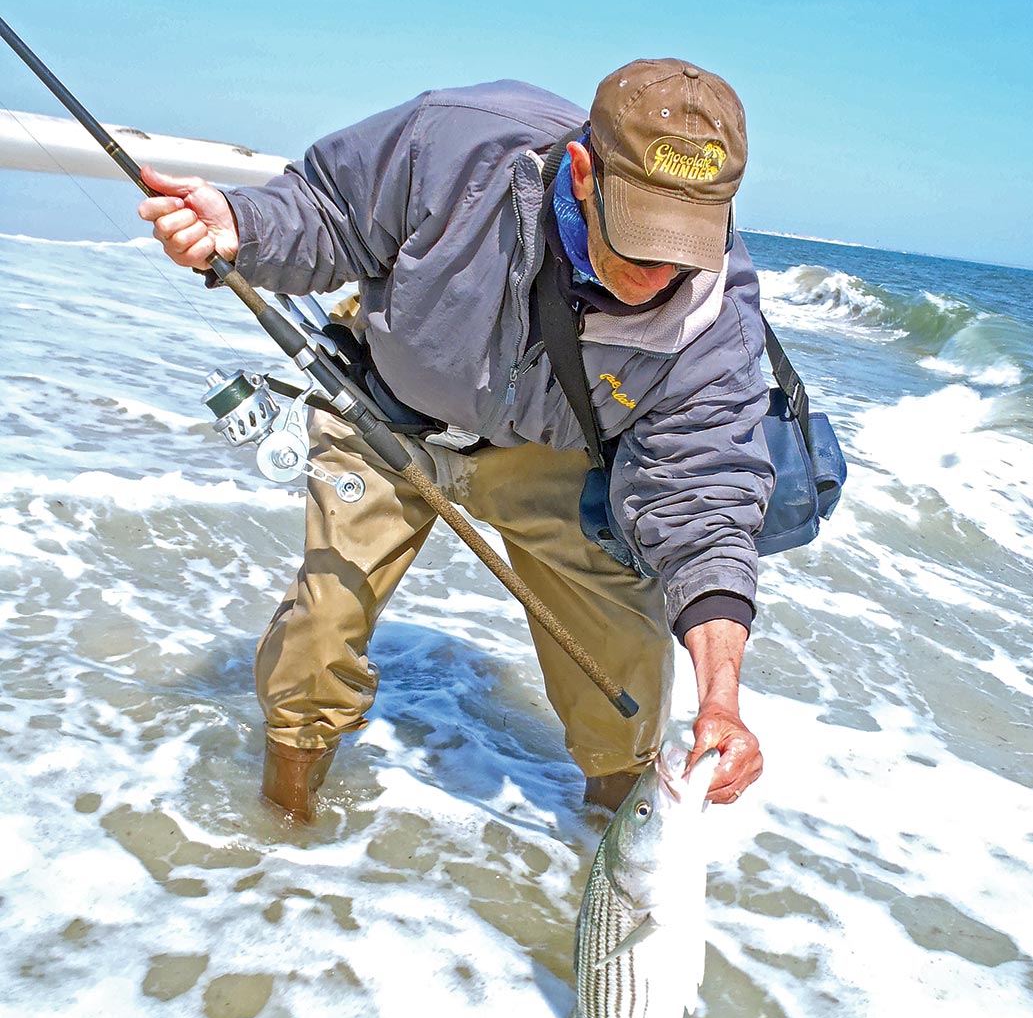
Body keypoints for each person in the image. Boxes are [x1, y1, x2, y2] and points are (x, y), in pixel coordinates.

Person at [138, 58, 773, 820]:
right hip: (386, 409)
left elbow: (705, 502)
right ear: (581, 171)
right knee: (318, 634)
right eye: (641, 239)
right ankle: (283, 834)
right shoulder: (455, 142)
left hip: (550, 449)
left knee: (626, 680)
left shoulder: (718, 320)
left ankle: (609, 858)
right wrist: (243, 227)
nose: (662, 272)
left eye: (688, 243)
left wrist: (722, 700)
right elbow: (329, 212)